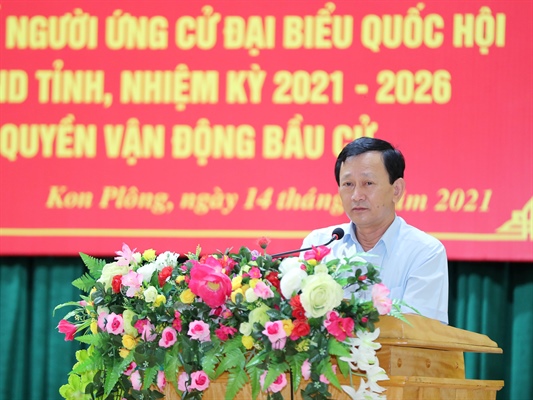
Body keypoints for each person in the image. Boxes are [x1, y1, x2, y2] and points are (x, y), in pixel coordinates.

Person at [301, 137, 449, 324]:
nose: (356, 196)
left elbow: (420, 330)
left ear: (396, 190)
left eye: (368, 183)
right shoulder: (319, 244)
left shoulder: (424, 252)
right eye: (348, 184)